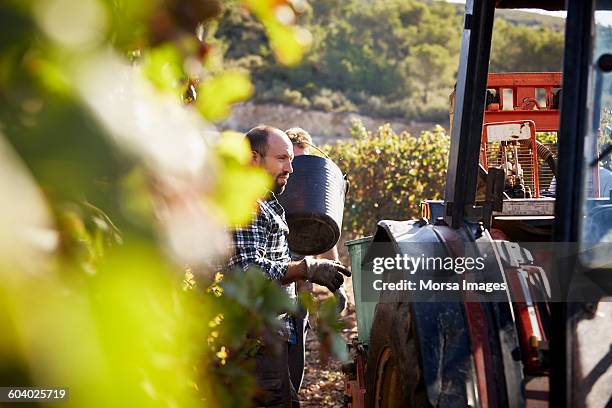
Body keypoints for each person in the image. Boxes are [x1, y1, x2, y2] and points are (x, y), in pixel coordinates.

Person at [226, 125, 351, 407]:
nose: (291, 169)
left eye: (291, 160)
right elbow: (247, 271)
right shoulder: (248, 205)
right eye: (282, 159)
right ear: (253, 159)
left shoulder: (267, 203)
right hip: (255, 338)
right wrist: (306, 269)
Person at [284, 127, 348, 393]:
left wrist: (338, 286)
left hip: (300, 292)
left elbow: (324, 240)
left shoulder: (310, 199)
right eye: (295, 162)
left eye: (305, 161)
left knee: (295, 361)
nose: (299, 172)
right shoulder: (271, 194)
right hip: (271, 292)